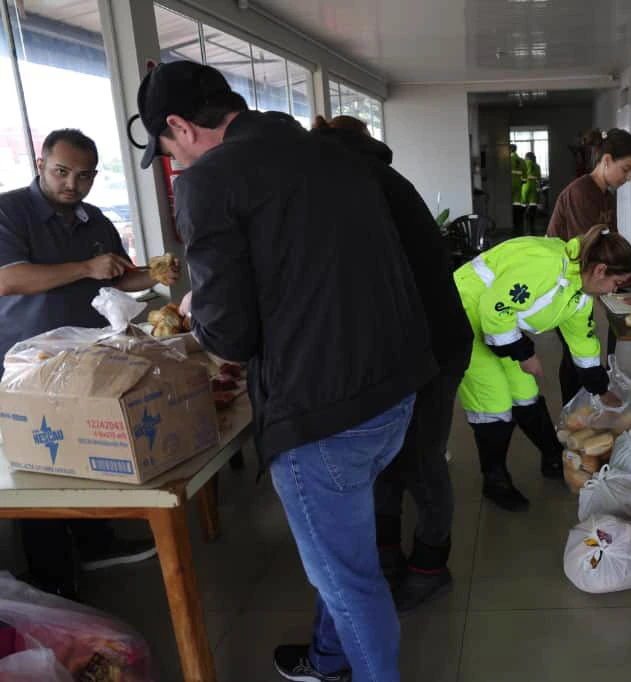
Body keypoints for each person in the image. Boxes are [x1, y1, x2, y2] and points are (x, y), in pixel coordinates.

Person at [130, 61, 437, 682]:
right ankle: (328, 658)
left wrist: (198, 309)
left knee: (349, 581)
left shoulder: (209, 179)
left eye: (165, 149)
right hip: (394, 390)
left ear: (180, 127)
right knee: (343, 553)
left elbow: (231, 337)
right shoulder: (329, 152)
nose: (174, 162)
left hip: (321, 412)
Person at [0, 128, 176, 599]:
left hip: (90, 357)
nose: (71, 184)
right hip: (29, 363)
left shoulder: (94, 219)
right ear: (41, 165)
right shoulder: (9, 211)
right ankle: (51, 576)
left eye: (84, 176)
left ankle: (98, 543)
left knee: (89, 452)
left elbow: (116, 277)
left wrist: (155, 273)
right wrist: (84, 267)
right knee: (41, 461)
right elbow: (9, 280)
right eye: (62, 172)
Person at [311, 114, 473, 611]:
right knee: (383, 459)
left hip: (430, 346)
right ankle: (387, 556)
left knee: (421, 461)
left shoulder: (359, 187)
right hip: (397, 348)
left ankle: (430, 566)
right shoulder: (370, 178)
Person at [455, 226, 631, 511]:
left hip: (497, 322)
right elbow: (495, 308)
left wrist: (600, 389)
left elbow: (582, 341)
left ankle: (552, 457)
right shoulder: (545, 266)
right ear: (600, 270)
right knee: (493, 402)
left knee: (525, 391)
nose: (615, 290)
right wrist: (524, 354)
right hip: (464, 312)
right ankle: (495, 480)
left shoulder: (579, 292)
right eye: (617, 282)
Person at [546, 128, 631, 405]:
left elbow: (611, 242)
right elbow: (594, 249)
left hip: (584, 280)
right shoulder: (581, 192)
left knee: (590, 349)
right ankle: (575, 412)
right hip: (563, 283)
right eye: (626, 169)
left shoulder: (605, 195)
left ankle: (592, 407)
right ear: (606, 161)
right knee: (575, 353)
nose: (629, 177)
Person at [521, 151, 541, 234]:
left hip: (525, 185)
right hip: (534, 187)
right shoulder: (537, 166)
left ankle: (523, 223)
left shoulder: (524, 163)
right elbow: (539, 178)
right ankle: (531, 225)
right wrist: (538, 189)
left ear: (526, 157)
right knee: (533, 205)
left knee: (523, 204)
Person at [510, 143, 525, 235]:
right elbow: (525, 174)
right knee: (517, 203)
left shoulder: (508, 159)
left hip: (509, 184)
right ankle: (518, 222)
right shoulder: (521, 160)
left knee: (509, 203)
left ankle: (511, 222)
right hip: (519, 184)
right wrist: (522, 181)